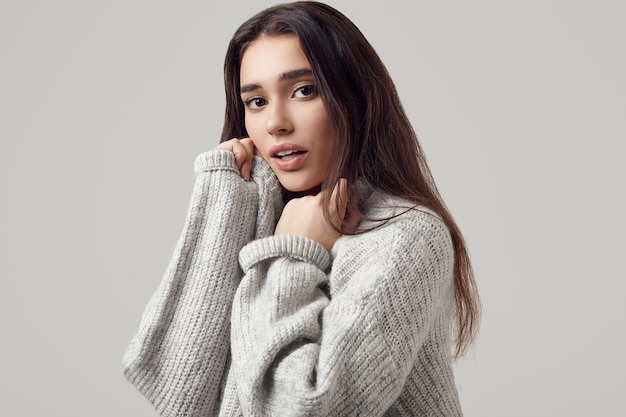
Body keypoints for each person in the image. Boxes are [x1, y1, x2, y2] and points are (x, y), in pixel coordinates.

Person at [123, 1, 480, 416]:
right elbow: (181, 393)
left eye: (304, 90)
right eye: (255, 101)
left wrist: (291, 254)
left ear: (354, 98)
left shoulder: (405, 236)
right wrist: (222, 203)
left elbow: (298, 408)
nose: (275, 122)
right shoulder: (261, 223)